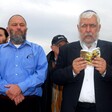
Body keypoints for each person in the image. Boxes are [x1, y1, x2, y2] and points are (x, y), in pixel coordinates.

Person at [52, 10, 112, 112]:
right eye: (84, 25)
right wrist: (72, 71)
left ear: (99, 28)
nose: (88, 30)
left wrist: (106, 70)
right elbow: (55, 77)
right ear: (78, 28)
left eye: (92, 25)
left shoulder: (110, 48)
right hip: (73, 108)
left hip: (103, 108)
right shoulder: (66, 49)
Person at [0, 14, 48, 112]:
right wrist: (7, 91)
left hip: (31, 103)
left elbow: (41, 74)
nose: (18, 27)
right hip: (2, 101)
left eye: (22, 25)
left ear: (26, 29)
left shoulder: (37, 50)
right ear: (8, 29)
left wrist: (21, 88)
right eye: (14, 24)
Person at [41, 35, 68, 112]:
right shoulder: (44, 63)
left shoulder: (73, 62)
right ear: (52, 48)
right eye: (59, 45)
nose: (63, 48)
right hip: (50, 99)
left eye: (65, 45)